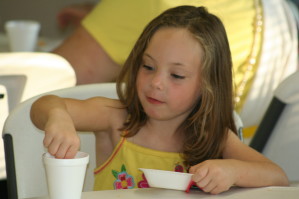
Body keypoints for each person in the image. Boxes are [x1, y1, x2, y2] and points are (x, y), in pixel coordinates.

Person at [32, 6, 288, 194]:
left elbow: (277, 176)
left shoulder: (213, 136)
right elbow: (44, 104)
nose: (156, 83)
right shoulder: (116, 118)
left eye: (176, 75)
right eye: (148, 66)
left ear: (207, 86)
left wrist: (232, 170)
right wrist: (58, 117)